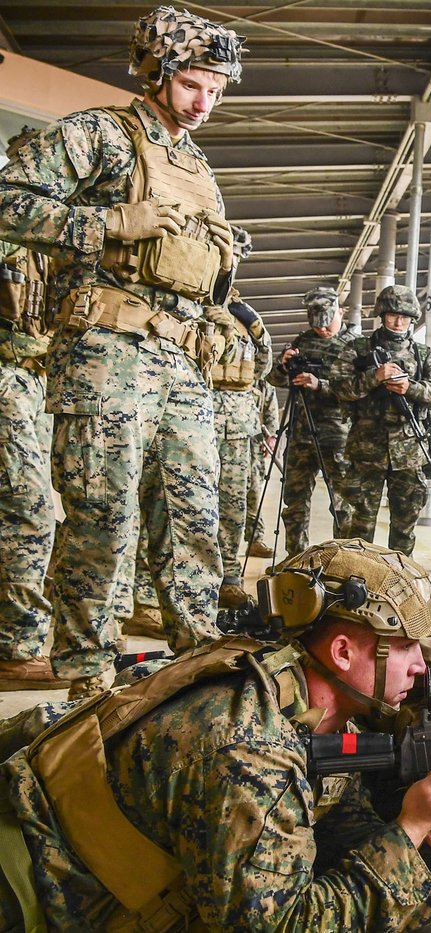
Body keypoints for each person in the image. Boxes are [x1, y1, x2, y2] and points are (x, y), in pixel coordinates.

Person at [0, 538, 431, 929]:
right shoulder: (250, 750)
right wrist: (411, 831)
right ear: (341, 652)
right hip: (33, 889)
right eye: (403, 647)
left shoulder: (287, 688)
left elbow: (335, 825)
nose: (421, 666)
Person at [0, 6, 246, 698]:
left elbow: (194, 279)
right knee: (103, 525)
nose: (206, 103)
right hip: (105, 356)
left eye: (218, 91)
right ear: (160, 72)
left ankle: (197, 679)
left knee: (194, 525)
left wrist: (223, 263)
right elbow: (8, 197)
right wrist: (107, 220)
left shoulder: (197, 165)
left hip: (181, 363)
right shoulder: (101, 134)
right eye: (196, 84)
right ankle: (89, 687)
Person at [0, 127, 64, 691]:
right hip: (6, 377)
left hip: (32, 380)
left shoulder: (49, 243)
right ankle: (16, 648)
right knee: (29, 509)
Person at [331, 285, 431, 556]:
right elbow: (338, 387)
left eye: (405, 317)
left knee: (405, 526)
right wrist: (375, 376)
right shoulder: (358, 349)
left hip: (408, 451)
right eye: (393, 315)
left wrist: (411, 388)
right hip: (365, 450)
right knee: (358, 526)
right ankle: (356, 583)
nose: (398, 322)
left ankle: (400, 580)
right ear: (381, 315)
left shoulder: (422, 354)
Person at [266, 285, 355, 558]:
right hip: (301, 432)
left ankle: (344, 562)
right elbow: (274, 380)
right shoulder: (302, 341)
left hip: (338, 434)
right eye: (317, 325)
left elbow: (358, 389)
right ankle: (295, 560)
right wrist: (284, 364)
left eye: (327, 323)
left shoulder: (353, 347)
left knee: (343, 504)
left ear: (341, 312)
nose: (322, 329)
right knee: (294, 502)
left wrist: (322, 385)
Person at [208, 290, 272, 607]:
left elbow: (261, 370)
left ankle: (229, 580)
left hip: (235, 428)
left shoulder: (243, 316)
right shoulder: (192, 304)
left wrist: (258, 331)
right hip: (195, 420)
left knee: (233, 507)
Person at [243, 378, 280, 559]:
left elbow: (271, 411)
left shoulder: (262, 384)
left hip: (254, 444)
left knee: (254, 494)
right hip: (224, 442)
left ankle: (255, 540)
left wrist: (271, 437)